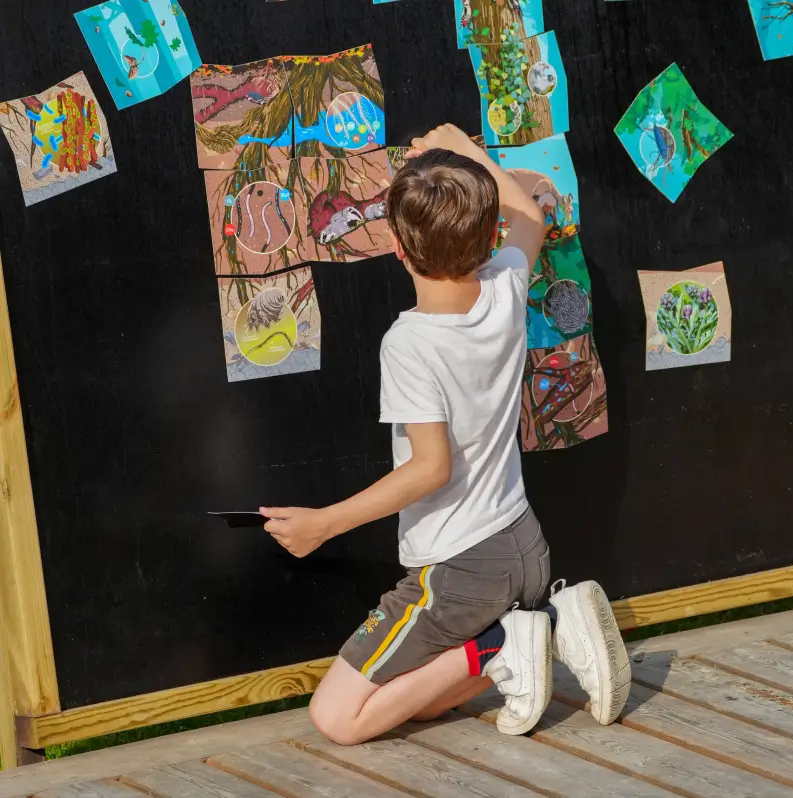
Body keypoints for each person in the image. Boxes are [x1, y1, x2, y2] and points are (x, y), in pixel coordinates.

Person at [260, 124, 630, 745]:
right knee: (421, 703)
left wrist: (324, 524)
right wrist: (466, 149)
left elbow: (431, 468)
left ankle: (511, 640)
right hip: (522, 545)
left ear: (397, 249)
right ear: (489, 238)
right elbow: (527, 212)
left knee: (338, 719)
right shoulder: (506, 282)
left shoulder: (409, 343)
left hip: (459, 570)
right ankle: (532, 627)